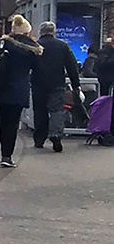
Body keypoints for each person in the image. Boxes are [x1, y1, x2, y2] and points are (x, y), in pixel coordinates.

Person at [0, 14, 42, 168]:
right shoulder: (32, 48)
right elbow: (38, 69)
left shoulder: (3, 43)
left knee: (3, 122)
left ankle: (4, 152)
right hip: (18, 89)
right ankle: (7, 156)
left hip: (1, 87)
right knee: (12, 123)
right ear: (26, 32)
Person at [32, 20, 83, 152]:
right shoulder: (63, 46)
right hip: (57, 84)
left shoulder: (35, 46)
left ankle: (39, 138)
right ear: (53, 32)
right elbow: (72, 66)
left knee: (40, 111)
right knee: (56, 110)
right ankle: (55, 135)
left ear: (41, 32)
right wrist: (75, 84)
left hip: (38, 83)